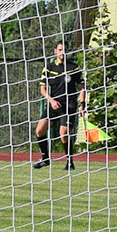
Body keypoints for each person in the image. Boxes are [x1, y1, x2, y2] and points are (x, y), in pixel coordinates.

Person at [33, 40, 86, 170]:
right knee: (39, 131)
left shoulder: (74, 67)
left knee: (64, 134)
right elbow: (43, 89)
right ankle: (45, 159)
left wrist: (82, 104)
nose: (63, 52)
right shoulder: (49, 68)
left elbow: (82, 87)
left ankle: (70, 162)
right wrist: (51, 101)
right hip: (54, 104)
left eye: (65, 50)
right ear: (56, 51)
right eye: (60, 50)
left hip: (69, 105)